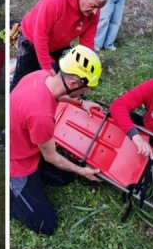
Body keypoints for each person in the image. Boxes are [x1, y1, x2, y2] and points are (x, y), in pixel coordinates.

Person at [10, 45, 103, 235]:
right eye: (86, 89)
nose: (87, 92)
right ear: (74, 83)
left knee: (65, 177)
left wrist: (81, 102)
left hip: (28, 147)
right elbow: (52, 157)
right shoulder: (41, 115)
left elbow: (58, 95)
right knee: (46, 224)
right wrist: (83, 171)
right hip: (15, 165)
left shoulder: (41, 76)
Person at [11, 0, 110, 90]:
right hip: (32, 40)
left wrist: (86, 72)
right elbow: (40, 34)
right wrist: (46, 65)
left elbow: (87, 44)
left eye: (99, 8)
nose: (95, 12)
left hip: (57, 45)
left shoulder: (93, 11)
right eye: (93, 6)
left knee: (51, 82)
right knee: (22, 80)